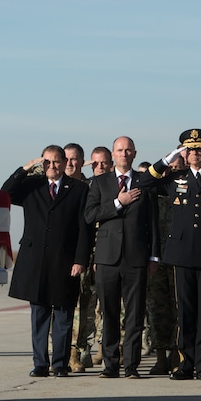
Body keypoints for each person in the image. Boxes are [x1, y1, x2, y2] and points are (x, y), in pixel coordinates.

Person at [141, 129, 201, 380]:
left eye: (200, 150)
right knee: (185, 312)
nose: (195, 154)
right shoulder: (175, 178)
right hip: (181, 254)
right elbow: (144, 183)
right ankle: (184, 364)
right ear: (185, 153)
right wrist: (166, 160)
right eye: (190, 150)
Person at [2, 145, 91, 377]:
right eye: (47, 162)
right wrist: (25, 168)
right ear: (42, 165)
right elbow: (6, 192)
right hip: (36, 262)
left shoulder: (79, 189)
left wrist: (80, 259)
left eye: (56, 162)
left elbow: (84, 228)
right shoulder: (32, 186)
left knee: (63, 315)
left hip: (65, 261)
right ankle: (40, 363)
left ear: (64, 163)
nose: (52, 166)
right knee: (39, 315)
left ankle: (60, 364)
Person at [84, 136, 159, 379]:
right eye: (119, 150)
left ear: (135, 154)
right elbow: (90, 215)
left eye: (128, 150)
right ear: (113, 155)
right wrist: (118, 202)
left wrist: (154, 256)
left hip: (136, 258)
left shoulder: (144, 182)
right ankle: (110, 365)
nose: (124, 154)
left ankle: (132, 366)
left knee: (135, 315)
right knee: (109, 313)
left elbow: (153, 223)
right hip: (107, 258)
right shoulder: (100, 182)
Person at [143, 153, 184, 374]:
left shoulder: (188, 191)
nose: (172, 173)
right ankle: (160, 357)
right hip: (156, 259)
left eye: (178, 169)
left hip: (179, 259)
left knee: (179, 309)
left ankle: (177, 355)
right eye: (170, 168)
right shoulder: (154, 191)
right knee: (156, 309)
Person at [63, 143, 95, 373]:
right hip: (62, 255)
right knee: (62, 307)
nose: (70, 163)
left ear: (82, 162)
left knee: (85, 307)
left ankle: (80, 349)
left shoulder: (91, 187)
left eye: (75, 159)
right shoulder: (56, 185)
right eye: (66, 159)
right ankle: (65, 351)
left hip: (87, 254)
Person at [86, 146, 114, 365]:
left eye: (104, 162)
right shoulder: (86, 186)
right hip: (87, 256)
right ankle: (84, 348)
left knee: (108, 307)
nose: (100, 167)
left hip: (109, 255)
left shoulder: (117, 186)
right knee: (86, 307)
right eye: (95, 163)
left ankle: (107, 346)